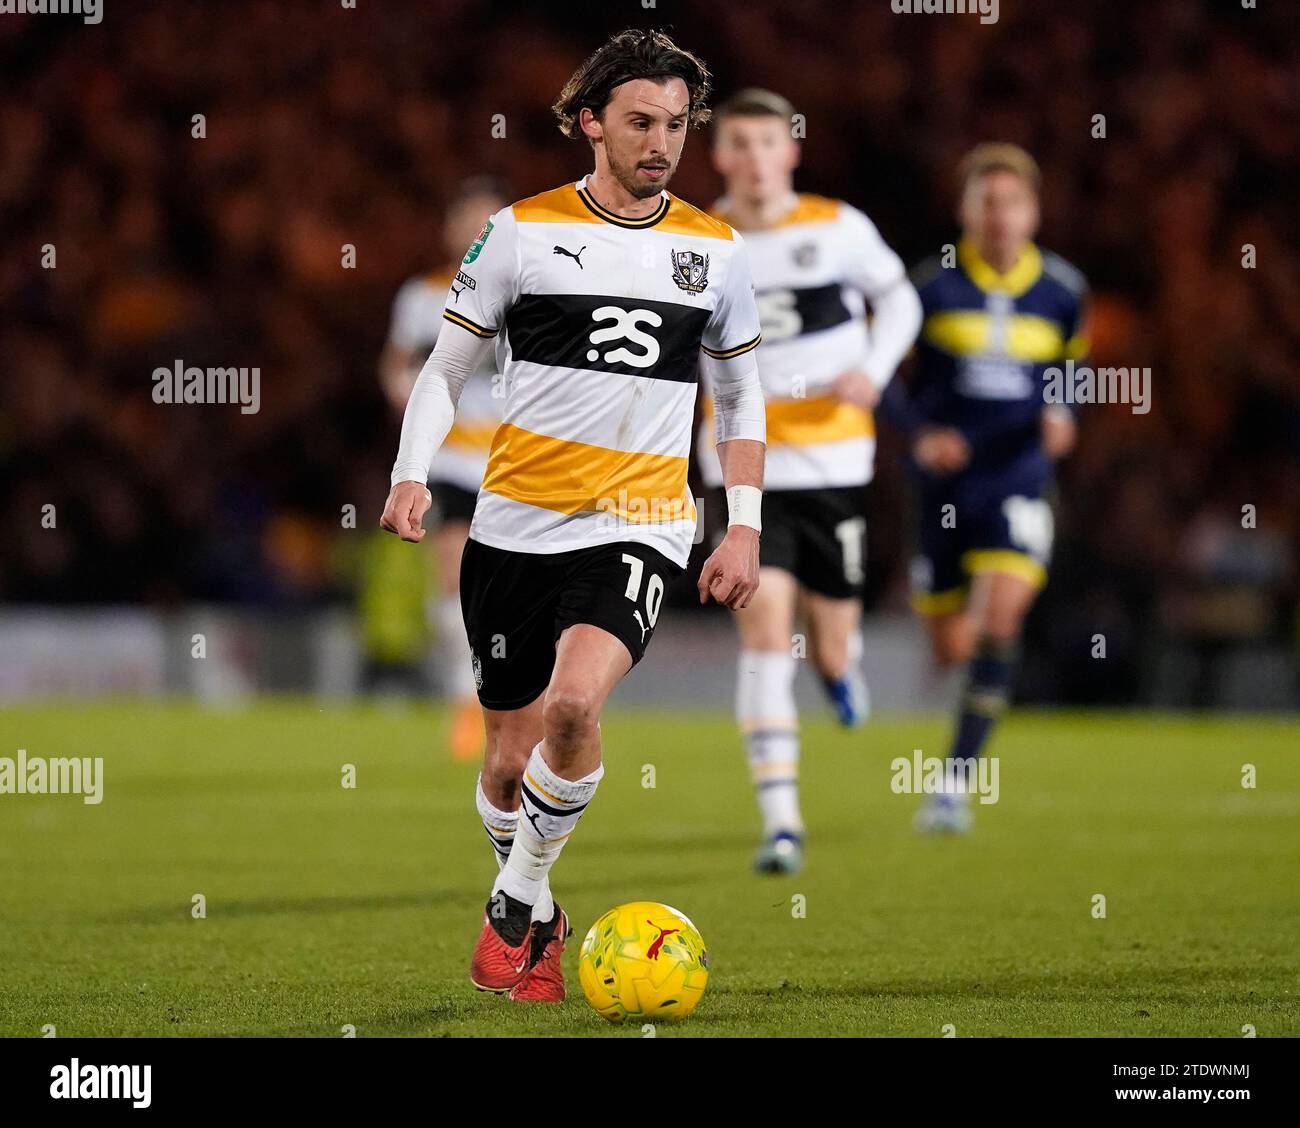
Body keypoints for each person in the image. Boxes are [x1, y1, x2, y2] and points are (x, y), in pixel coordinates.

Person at [379, 28, 767, 1003]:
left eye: (677, 125)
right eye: (640, 121)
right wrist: (411, 472)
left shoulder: (715, 253)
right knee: (508, 767)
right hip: (511, 526)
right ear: (590, 121)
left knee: (572, 706)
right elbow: (443, 370)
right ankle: (538, 908)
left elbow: (743, 398)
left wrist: (745, 522)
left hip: (640, 520)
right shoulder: (516, 233)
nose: (661, 143)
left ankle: (514, 908)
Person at [699, 89, 922, 874]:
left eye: (769, 142)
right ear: (719, 155)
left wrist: (873, 367)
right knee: (765, 640)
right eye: (740, 144)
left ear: (791, 150)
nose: (756, 158)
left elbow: (900, 299)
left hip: (834, 464)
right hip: (741, 471)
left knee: (829, 644)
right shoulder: (700, 239)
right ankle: (782, 823)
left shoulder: (839, 227)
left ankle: (842, 672)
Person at [883, 143, 1088, 833]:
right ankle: (959, 713)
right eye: (987, 202)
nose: (1001, 217)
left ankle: (954, 786)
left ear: (1033, 211)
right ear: (965, 210)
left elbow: (1070, 378)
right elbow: (883, 376)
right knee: (952, 644)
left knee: (1001, 616)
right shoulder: (929, 286)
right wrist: (918, 432)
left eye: (1013, 203)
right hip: (944, 487)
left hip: (1019, 478)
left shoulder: (1062, 291)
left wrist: (1065, 415)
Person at [379, 177, 510, 759]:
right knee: (452, 579)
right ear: (450, 229)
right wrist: (406, 396)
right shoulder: (422, 296)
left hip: (517, 460)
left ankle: (515, 696)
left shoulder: (525, 291)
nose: (477, 233)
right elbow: (398, 364)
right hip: (456, 458)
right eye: (468, 222)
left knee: (512, 589)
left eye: (489, 222)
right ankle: (466, 700)